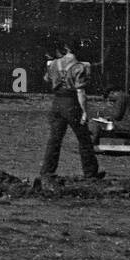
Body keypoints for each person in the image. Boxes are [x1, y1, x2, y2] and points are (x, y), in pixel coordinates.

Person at [38, 38, 103, 182]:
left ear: (66, 48)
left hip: (57, 102)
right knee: (84, 138)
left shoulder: (54, 63)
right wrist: (85, 111)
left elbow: (46, 79)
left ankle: (47, 171)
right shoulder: (79, 67)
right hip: (71, 102)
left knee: (54, 139)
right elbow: (81, 92)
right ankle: (90, 172)